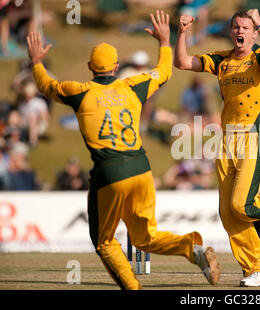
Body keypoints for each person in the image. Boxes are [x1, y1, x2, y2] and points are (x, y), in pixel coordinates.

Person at [26, 10, 220, 290]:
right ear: (116, 67)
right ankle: (194, 250)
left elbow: (47, 86)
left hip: (110, 172)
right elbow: (164, 72)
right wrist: (165, 41)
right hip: (141, 169)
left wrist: (36, 63)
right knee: (145, 238)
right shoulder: (133, 87)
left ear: (90, 67)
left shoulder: (79, 91)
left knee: (104, 242)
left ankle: (133, 287)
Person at [175, 8, 260, 287]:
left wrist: (259, 20)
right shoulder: (221, 60)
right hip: (227, 139)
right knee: (228, 212)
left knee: (242, 204)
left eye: (246, 27)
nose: (240, 32)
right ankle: (258, 267)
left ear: (255, 33)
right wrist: (182, 32)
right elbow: (183, 62)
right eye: (236, 27)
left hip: (257, 134)